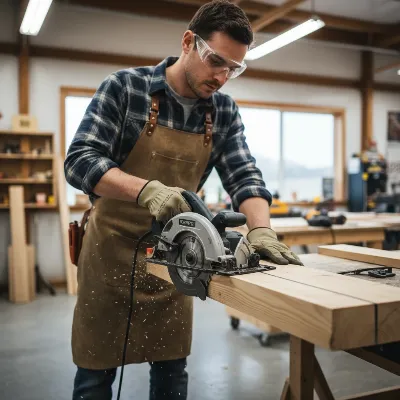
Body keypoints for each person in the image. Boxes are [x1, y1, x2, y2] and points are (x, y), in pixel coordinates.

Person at [64, 1, 302, 399]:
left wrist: (260, 230)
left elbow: (243, 174)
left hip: (176, 256)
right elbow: (80, 160)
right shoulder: (125, 88)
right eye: (216, 61)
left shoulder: (222, 110)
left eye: (234, 68)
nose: (223, 77)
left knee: (172, 369)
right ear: (189, 42)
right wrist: (146, 190)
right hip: (110, 255)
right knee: (95, 372)